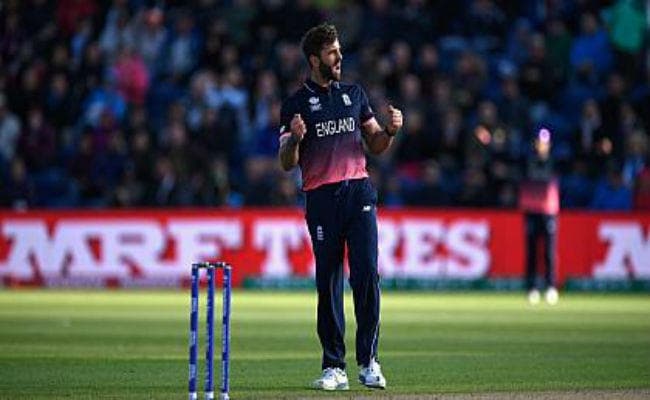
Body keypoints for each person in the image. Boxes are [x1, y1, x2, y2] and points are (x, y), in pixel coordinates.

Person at [278, 23, 403, 391]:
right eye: (332, 52)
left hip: (359, 193)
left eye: (339, 50)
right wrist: (295, 140)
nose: (339, 57)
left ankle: (369, 362)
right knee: (329, 281)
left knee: (366, 275)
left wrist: (390, 131)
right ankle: (334, 367)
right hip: (321, 198)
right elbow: (286, 162)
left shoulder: (354, 94)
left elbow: (375, 143)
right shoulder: (295, 104)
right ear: (315, 59)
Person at [519, 128, 560, 305]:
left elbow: (546, 177)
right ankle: (532, 288)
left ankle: (551, 286)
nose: (541, 146)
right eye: (539, 142)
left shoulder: (554, 162)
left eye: (544, 143)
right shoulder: (527, 161)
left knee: (549, 252)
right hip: (531, 209)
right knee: (532, 252)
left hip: (549, 211)